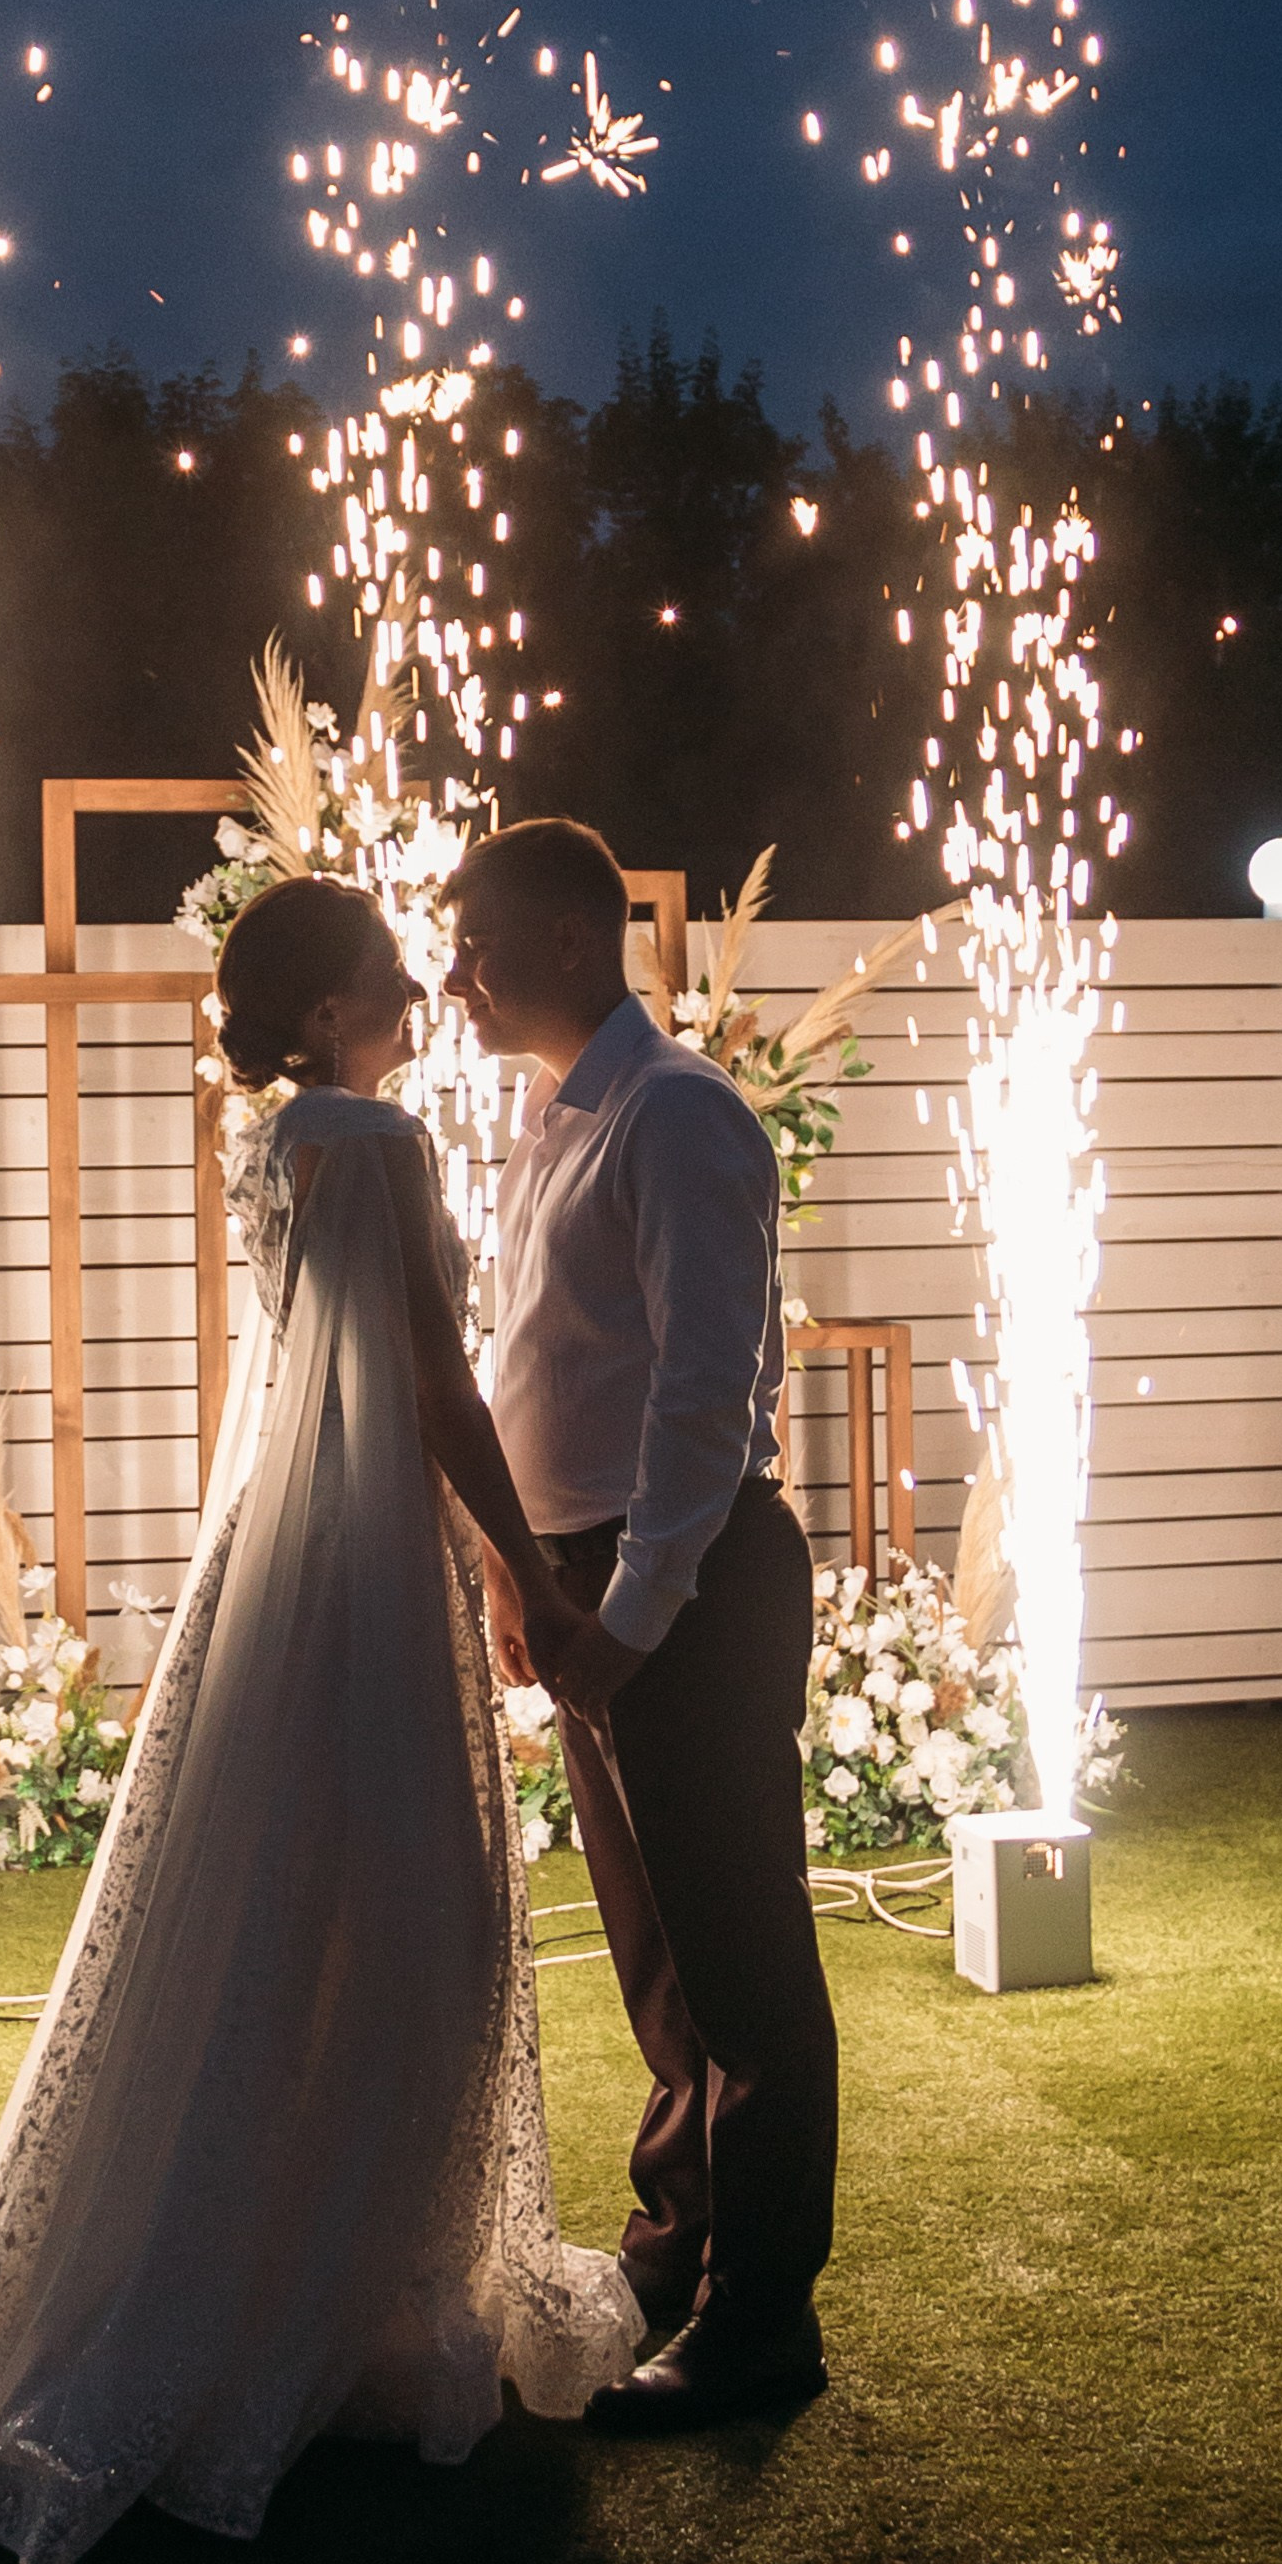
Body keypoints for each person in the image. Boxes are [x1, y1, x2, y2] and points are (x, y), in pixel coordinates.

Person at [0, 876, 640, 2564]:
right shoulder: (375, 1143)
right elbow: (430, 1386)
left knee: (281, 1908)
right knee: (426, 1920)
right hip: (371, 1571)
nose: (421, 989)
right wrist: (533, 1584)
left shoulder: (280, 1144)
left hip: (288, 1559)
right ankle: (327, 2305)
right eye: (388, 974)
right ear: (330, 1012)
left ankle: (299, 2274)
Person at [443, 818, 837, 2435]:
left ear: (550, 940)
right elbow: (549, 1365)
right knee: (659, 1960)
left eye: (472, 943)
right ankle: (676, 2251)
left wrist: (630, 1611)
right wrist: (514, 1574)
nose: (453, 976)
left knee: (742, 1968)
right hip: (584, 1578)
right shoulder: (562, 1117)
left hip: (685, 1578)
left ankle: (762, 2328)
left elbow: (700, 1394)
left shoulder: (676, 1116)